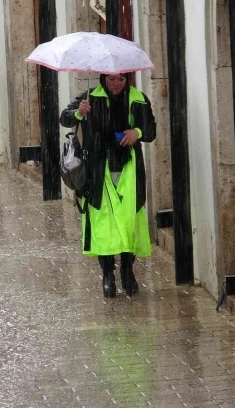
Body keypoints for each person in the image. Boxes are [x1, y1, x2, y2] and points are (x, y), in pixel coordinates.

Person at [60, 73, 156, 298]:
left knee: (127, 221)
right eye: (111, 79)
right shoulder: (90, 98)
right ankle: (107, 274)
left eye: (121, 80)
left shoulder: (138, 99)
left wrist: (136, 132)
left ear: (127, 80)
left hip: (128, 170)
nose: (116, 84)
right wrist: (78, 112)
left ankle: (127, 269)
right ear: (103, 78)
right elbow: (64, 118)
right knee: (103, 224)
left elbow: (150, 130)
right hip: (97, 169)